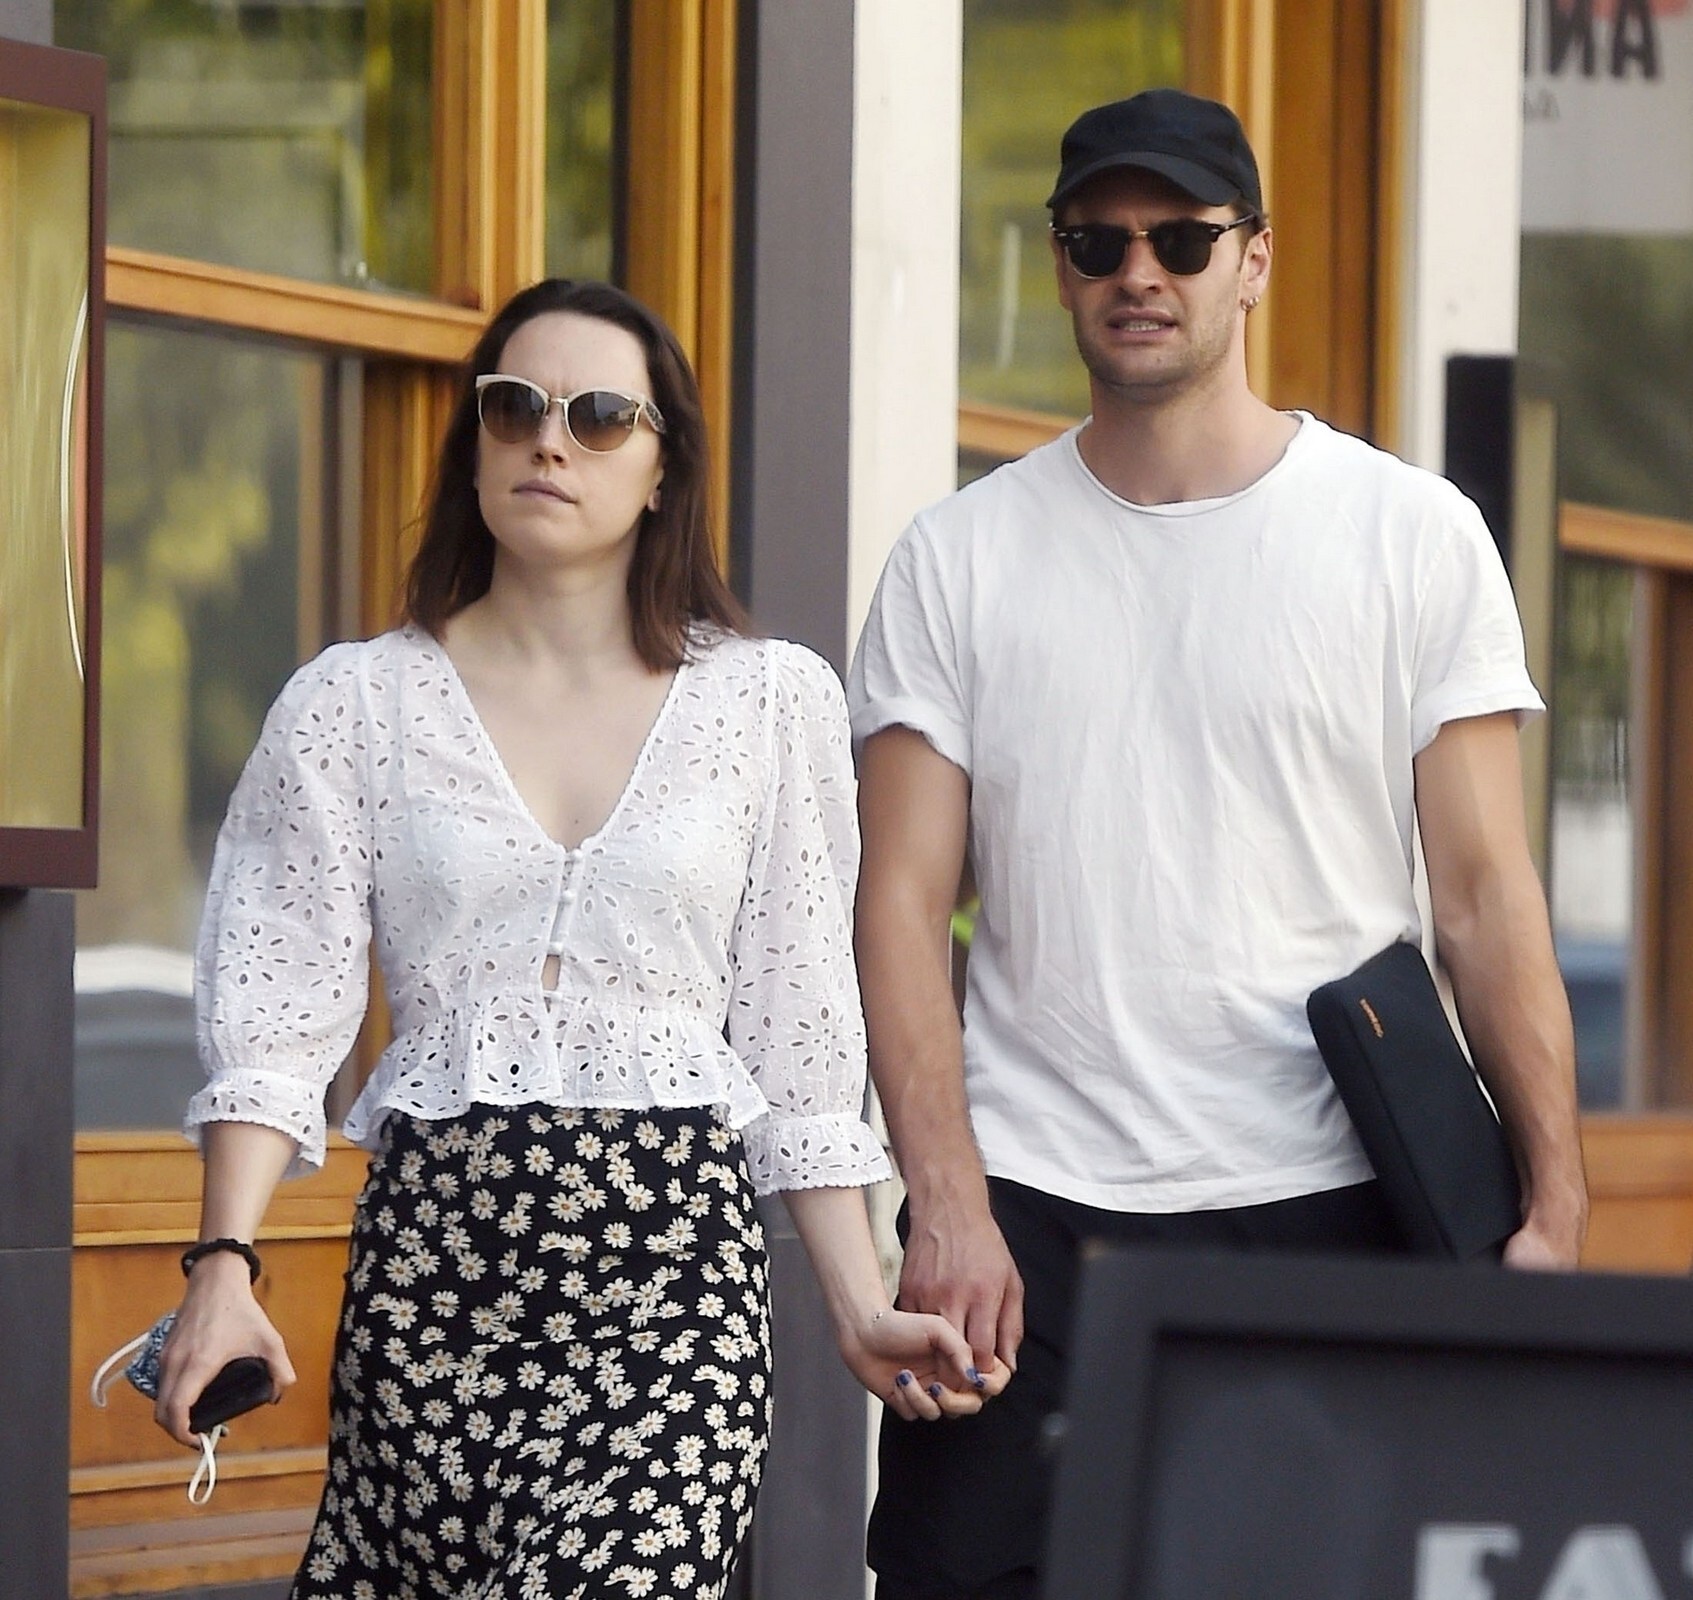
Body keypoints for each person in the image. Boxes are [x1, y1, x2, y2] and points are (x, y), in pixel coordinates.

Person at [152, 277, 1005, 1600]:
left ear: (664, 470)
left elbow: (798, 1034)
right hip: (432, 1282)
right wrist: (224, 1267)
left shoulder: (766, 704)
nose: (550, 442)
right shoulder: (352, 704)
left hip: (675, 1296)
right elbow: (276, 1017)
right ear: (474, 445)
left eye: (600, 417)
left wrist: (856, 1299)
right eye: (515, 408)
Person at [847, 88, 1589, 1600]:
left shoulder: (1408, 534)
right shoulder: (957, 557)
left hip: (1336, 1194)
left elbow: (1483, 897)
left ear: (1252, 259)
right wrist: (947, 1204)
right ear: (1060, 265)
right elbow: (901, 902)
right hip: (1031, 1215)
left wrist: (1556, 1198)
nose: (1140, 272)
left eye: (1181, 239)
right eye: (1099, 241)